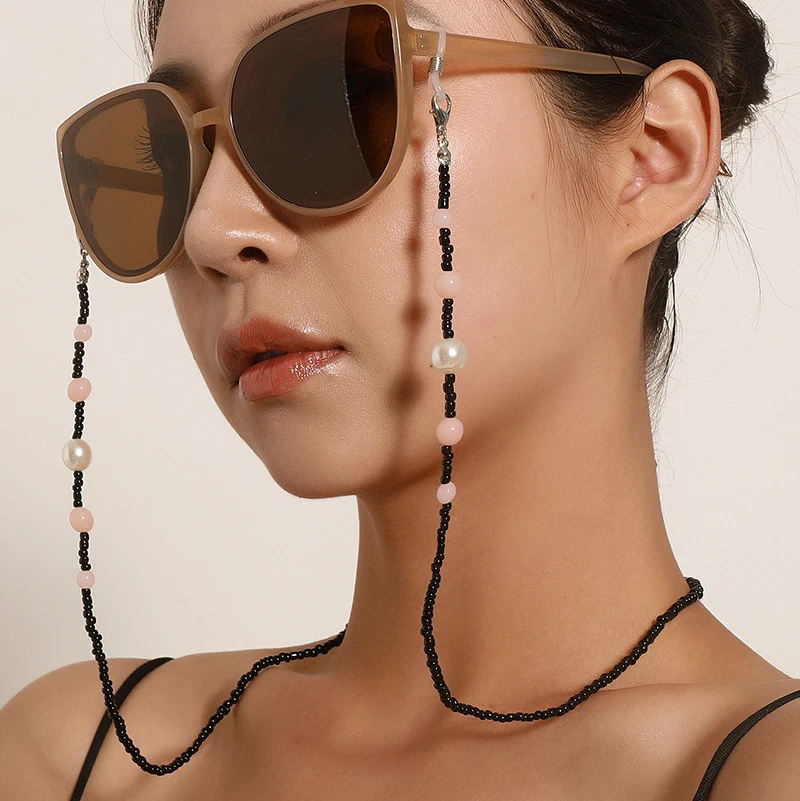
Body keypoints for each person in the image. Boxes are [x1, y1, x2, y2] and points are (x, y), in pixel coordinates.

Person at [2, 0, 798, 798]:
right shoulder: (82, 762)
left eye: (336, 97)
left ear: (654, 154)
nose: (210, 228)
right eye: (174, 151)